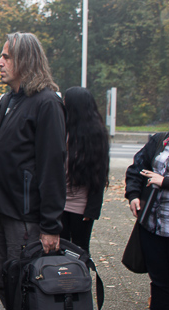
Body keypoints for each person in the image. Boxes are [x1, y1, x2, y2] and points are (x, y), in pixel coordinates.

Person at [0, 32, 66, 307]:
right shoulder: (7, 101)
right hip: (6, 209)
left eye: (6, 56)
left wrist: (51, 225)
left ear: (25, 61)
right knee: (5, 279)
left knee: (24, 286)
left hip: (28, 216)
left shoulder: (47, 103)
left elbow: (52, 166)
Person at [125, 100, 169, 310]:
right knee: (160, 284)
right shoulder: (161, 140)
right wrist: (134, 194)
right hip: (153, 226)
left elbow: (160, 179)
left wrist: (165, 182)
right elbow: (137, 168)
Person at [60, 86, 109, 254]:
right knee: (60, 249)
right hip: (59, 204)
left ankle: (80, 280)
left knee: (80, 250)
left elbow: (100, 175)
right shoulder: (62, 129)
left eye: (66, 100)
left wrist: (92, 210)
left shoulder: (96, 135)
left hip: (81, 207)